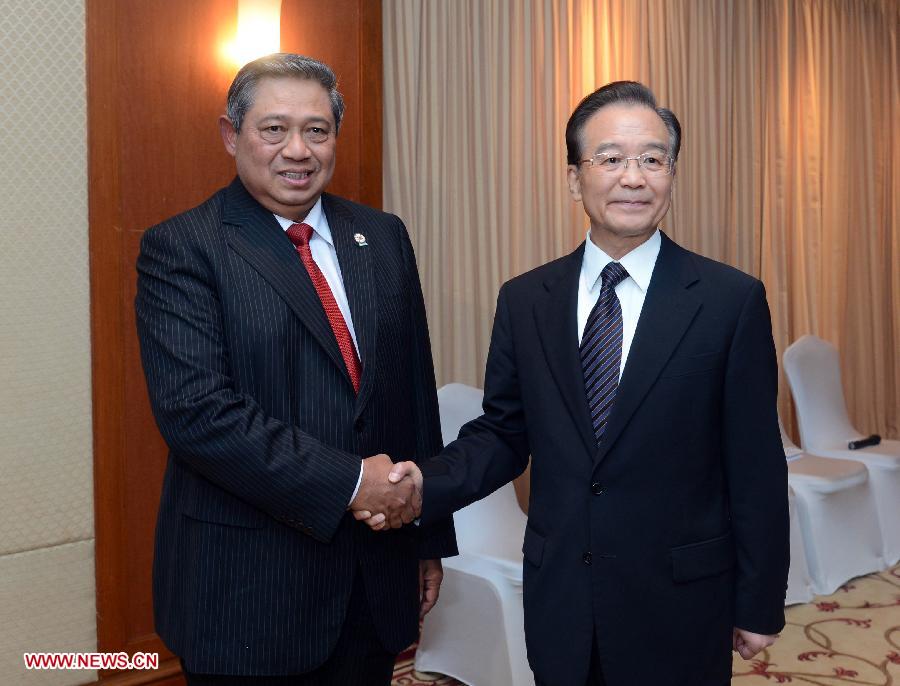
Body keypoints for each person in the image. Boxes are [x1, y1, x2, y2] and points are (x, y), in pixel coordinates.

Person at [359, 81, 789, 686]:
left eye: (652, 159)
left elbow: (756, 464)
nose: (633, 178)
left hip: (680, 601)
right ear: (574, 178)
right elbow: (505, 432)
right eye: (610, 158)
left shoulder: (729, 300)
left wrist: (760, 599)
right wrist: (425, 483)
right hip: (563, 594)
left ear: (672, 173)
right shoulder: (527, 299)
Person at [135, 53, 456, 685]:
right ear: (232, 134)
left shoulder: (382, 235)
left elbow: (415, 394)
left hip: (373, 578)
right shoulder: (184, 247)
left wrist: (425, 537)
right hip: (250, 593)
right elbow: (199, 415)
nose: (298, 150)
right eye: (273, 129)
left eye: (317, 129)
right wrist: (349, 483)